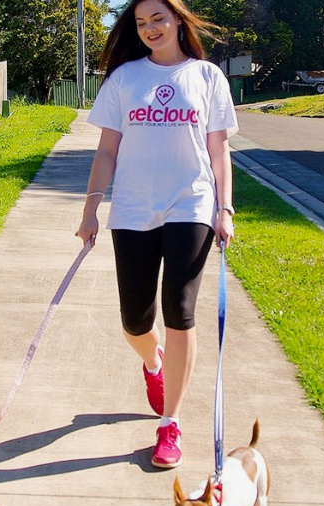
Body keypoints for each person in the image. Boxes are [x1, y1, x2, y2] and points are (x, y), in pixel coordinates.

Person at [76, 0, 238, 469]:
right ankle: (153, 363)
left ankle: (171, 423)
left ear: (177, 21)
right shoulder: (124, 79)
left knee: (180, 311)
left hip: (190, 205)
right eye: (141, 22)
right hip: (132, 209)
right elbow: (107, 150)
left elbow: (219, 150)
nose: (149, 28)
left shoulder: (207, 78)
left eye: (158, 19)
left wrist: (223, 209)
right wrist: (90, 210)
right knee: (134, 321)